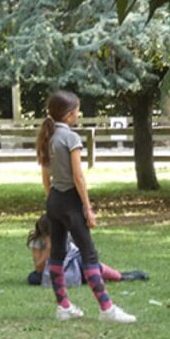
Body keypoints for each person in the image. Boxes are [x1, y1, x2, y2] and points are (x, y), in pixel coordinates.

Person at [36, 90, 136, 323]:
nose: (79, 114)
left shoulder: (47, 136)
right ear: (70, 115)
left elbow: (45, 176)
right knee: (89, 254)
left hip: (54, 201)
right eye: (77, 110)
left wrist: (54, 199)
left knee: (57, 254)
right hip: (71, 201)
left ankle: (63, 306)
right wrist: (87, 208)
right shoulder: (70, 138)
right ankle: (107, 309)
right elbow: (78, 177)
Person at [26, 214, 148, 287]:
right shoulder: (38, 241)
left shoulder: (68, 235)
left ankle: (119, 276)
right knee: (33, 278)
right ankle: (90, 277)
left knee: (89, 266)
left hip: (72, 267)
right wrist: (49, 249)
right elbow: (39, 268)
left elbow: (80, 254)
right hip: (50, 271)